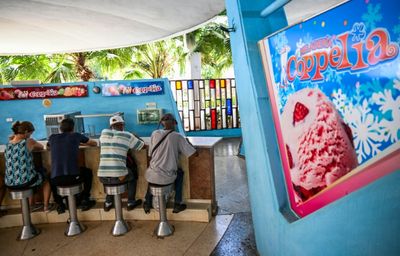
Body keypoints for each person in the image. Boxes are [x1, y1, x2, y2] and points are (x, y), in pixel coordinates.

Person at [144, 113, 197, 214]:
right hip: (167, 176)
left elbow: (150, 154)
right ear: (174, 123)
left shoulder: (154, 133)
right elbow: (194, 154)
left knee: (153, 172)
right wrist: (188, 143)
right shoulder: (177, 136)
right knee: (180, 173)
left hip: (151, 174)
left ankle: (147, 202)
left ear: (162, 123)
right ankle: (177, 204)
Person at [47, 118, 97, 214]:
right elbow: (93, 143)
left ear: (60, 128)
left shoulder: (52, 137)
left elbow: (48, 147)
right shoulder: (76, 136)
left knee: (51, 176)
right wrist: (78, 142)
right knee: (87, 173)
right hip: (73, 178)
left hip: (57, 180)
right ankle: (85, 199)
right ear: (73, 128)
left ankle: (60, 203)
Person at [98, 115, 145, 211]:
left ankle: (108, 202)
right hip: (118, 177)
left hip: (102, 177)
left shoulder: (103, 133)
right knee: (132, 175)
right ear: (122, 125)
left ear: (110, 126)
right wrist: (135, 136)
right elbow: (143, 146)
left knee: (110, 177)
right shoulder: (127, 135)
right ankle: (131, 202)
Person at [4, 121, 53, 212]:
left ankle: (31, 206)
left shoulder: (8, 144)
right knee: (45, 177)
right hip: (26, 181)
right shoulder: (28, 141)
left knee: (32, 175)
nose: (30, 135)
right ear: (26, 132)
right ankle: (46, 206)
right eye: (30, 133)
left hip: (10, 183)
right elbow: (41, 147)